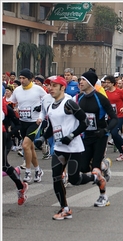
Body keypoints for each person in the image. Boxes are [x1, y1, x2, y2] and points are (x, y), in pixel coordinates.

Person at [34, 76, 88, 219]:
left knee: (74, 180)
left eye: (54, 85)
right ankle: (65, 209)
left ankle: (96, 177)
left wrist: (71, 135)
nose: (50, 88)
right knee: (56, 178)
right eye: (49, 85)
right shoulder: (50, 105)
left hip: (74, 147)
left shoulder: (69, 103)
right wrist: (43, 138)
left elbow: (85, 122)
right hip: (59, 147)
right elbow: (52, 126)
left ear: (62, 87)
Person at [77, 71, 118, 207]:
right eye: (79, 80)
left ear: (90, 82)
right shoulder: (79, 98)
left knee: (95, 170)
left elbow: (114, 119)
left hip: (100, 136)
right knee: (83, 168)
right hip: (86, 137)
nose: (80, 83)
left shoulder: (101, 99)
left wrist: (105, 130)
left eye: (82, 80)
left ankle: (103, 196)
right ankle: (104, 165)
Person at [9, 68, 46, 183]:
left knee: (25, 146)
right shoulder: (17, 90)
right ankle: (38, 170)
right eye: (20, 78)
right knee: (29, 148)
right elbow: (12, 102)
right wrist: (15, 108)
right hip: (23, 121)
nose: (21, 80)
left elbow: (47, 102)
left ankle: (28, 172)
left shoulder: (38, 89)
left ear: (30, 79)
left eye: (24, 78)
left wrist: (40, 113)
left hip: (35, 122)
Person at [2, 97, 28, 205]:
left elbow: (18, 124)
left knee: (4, 165)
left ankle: (21, 186)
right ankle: (15, 172)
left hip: (3, 137)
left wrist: (9, 133)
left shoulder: (6, 107)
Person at [104, 75, 123, 161]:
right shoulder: (105, 92)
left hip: (119, 115)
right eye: (105, 82)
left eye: (108, 83)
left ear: (113, 83)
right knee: (113, 135)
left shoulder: (119, 92)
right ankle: (122, 153)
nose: (106, 84)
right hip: (110, 116)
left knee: (114, 132)